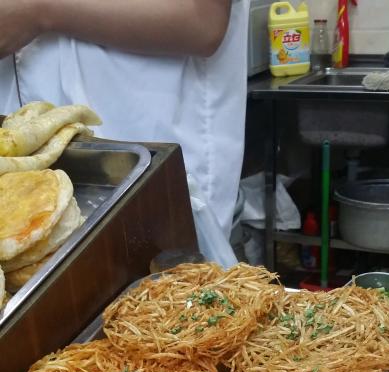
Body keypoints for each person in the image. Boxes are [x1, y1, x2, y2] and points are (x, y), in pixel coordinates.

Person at [0, 1, 250, 255]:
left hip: (144, 134)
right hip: (22, 157)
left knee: (156, 270)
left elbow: (203, 22)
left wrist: (40, 11)